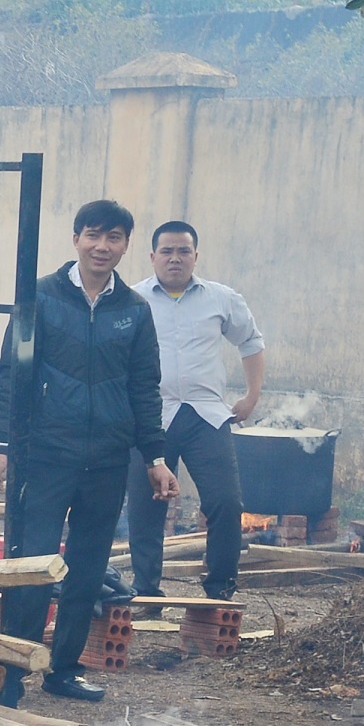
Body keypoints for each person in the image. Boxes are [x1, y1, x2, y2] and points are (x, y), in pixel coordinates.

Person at [0, 199, 173, 701]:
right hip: (48, 454)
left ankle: (63, 670)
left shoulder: (134, 311)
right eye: (93, 235)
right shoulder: (41, 298)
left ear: (125, 245)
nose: (103, 246)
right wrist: (3, 447)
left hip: (107, 458)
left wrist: (155, 458)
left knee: (88, 567)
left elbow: (145, 386)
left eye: (114, 238)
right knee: (32, 564)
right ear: (76, 239)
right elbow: (12, 373)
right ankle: (13, 671)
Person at [126, 221, 267, 600]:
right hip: (149, 416)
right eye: (167, 251)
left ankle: (220, 589)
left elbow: (251, 343)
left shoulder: (221, 298)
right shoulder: (132, 300)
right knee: (145, 508)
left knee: (225, 502)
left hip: (207, 416)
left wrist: (252, 396)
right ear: (152, 256)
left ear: (195, 257)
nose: (175, 258)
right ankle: (146, 592)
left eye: (183, 251)